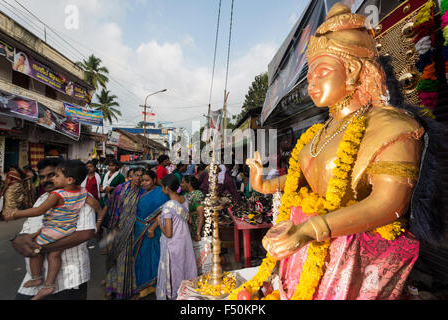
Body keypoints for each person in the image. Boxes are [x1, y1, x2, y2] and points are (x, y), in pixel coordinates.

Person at [242, 3, 445, 300]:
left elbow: (390, 203)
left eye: (322, 71)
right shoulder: (316, 133)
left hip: (352, 266)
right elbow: (311, 180)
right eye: (309, 74)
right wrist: (265, 184)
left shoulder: (391, 124)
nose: (311, 81)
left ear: (352, 71)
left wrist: (312, 229)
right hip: (302, 259)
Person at [4, 160, 102, 300]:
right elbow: (26, 229)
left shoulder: (81, 197)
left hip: (69, 280)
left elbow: (86, 233)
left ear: (67, 177)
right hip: (34, 278)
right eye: (42, 177)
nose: (47, 180)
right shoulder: (42, 198)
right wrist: (18, 240)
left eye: (52, 175)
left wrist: (39, 249)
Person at [104, 167, 145, 300]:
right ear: (130, 176)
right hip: (116, 228)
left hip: (131, 231)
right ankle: (111, 287)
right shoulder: (120, 189)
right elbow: (108, 204)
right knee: (113, 258)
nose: (138, 178)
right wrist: (99, 222)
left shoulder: (143, 192)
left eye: (141, 176)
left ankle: (124, 288)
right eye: (136, 175)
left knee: (126, 259)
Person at [156, 174, 197, 300]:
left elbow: (168, 233)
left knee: (176, 270)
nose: (162, 189)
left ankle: (177, 295)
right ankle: (188, 293)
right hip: (185, 240)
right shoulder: (184, 200)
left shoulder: (168, 207)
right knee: (186, 266)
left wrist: (159, 223)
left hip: (174, 243)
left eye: (162, 187)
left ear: (167, 188)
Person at [133, 170, 169, 298]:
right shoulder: (140, 192)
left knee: (154, 256)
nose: (143, 183)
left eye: (147, 180)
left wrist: (152, 228)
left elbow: (164, 213)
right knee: (140, 258)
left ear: (154, 180)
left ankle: (155, 284)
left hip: (154, 230)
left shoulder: (161, 193)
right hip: (138, 229)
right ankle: (143, 285)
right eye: (142, 180)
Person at [99, 158, 125, 226]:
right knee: (103, 216)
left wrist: (112, 188)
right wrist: (102, 189)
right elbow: (101, 186)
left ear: (117, 166)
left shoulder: (120, 177)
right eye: (109, 165)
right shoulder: (104, 175)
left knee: (111, 216)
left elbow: (123, 188)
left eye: (113, 165)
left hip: (114, 199)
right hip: (104, 198)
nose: (110, 167)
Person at [180, 175, 205, 241]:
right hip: (189, 230)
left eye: (183, 182)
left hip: (197, 228)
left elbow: (201, 214)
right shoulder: (185, 195)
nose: (181, 184)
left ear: (189, 183)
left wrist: (198, 233)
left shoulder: (197, 194)